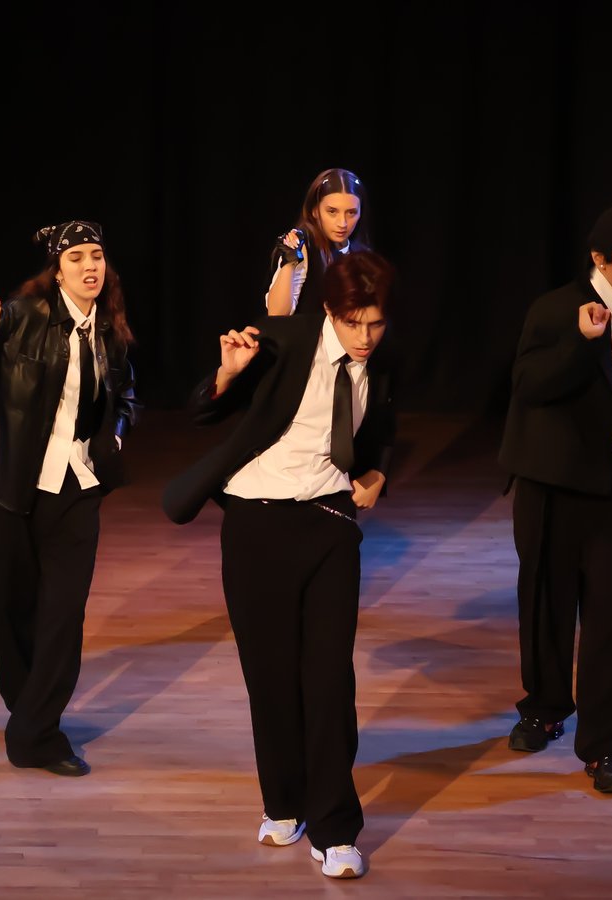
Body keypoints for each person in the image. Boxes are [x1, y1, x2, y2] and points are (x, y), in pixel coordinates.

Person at [162, 251, 396, 879]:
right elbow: (203, 410)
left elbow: (380, 430)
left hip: (328, 523)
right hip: (257, 524)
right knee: (270, 677)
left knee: (328, 679)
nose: (365, 337)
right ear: (329, 312)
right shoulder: (282, 342)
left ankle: (336, 826)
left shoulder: (381, 358)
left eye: (376, 324)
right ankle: (285, 801)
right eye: (353, 324)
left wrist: (377, 473)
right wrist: (227, 373)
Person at [497, 203, 612, 795]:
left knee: (611, 618)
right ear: (600, 259)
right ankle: (544, 708)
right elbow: (527, 387)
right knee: (546, 605)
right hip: (550, 484)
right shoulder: (555, 310)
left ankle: (604, 745)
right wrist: (580, 341)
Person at [0, 221, 137, 777]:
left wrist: (117, 433)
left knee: (64, 613)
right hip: (9, 483)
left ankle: (35, 733)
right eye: (76, 257)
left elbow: (127, 392)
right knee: (15, 608)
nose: (89, 266)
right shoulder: (23, 314)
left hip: (77, 484)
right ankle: (27, 709)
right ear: (57, 270)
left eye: (96, 255)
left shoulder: (109, 328)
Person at [263, 168, 370, 316]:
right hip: (304, 332)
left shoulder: (361, 253)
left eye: (351, 212)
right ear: (314, 210)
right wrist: (290, 261)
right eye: (332, 211)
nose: (342, 223)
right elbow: (277, 313)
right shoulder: (303, 244)